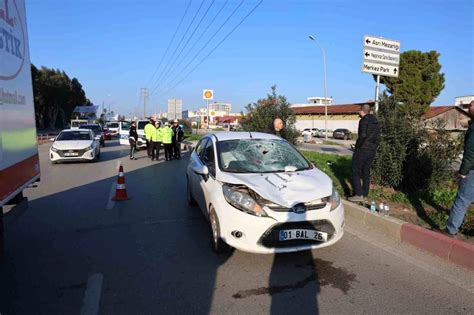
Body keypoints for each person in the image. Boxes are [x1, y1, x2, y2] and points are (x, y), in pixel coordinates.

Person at [444, 101, 474, 237]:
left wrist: (463, 172)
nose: (468, 108)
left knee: (462, 200)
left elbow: (470, 153)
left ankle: (451, 231)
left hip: (472, 170)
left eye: (471, 105)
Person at [348, 104, 380, 202]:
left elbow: (362, 135)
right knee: (366, 171)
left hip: (362, 149)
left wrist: (357, 146)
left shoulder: (363, 121)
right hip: (372, 150)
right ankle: (365, 194)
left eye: (359, 111)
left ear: (362, 111)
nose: (358, 113)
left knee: (355, 171)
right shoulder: (375, 121)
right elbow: (378, 136)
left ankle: (358, 194)